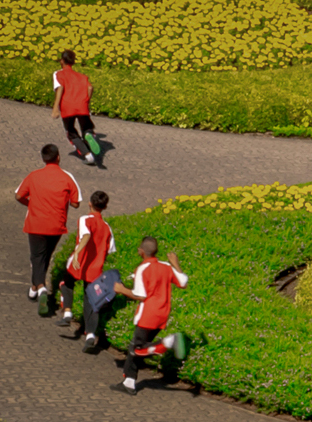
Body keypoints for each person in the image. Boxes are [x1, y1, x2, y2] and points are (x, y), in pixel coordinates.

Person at [113, 237, 191, 394]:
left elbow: (140, 295)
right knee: (139, 346)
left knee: (137, 349)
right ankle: (129, 381)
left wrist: (122, 290)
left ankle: (167, 342)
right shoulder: (166, 266)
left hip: (147, 314)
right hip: (163, 314)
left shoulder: (142, 269)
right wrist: (175, 263)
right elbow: (183, 283)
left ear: (141, 251)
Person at [14, 145, 81, 309]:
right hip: (56, 225)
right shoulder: (67, 177)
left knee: (37, 257)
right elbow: (75, 203)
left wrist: (30, 204)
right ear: (58, 157)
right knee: (45, 257)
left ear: (43, 159)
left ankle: (41, 287)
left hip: (35, 224)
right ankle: (34, 289)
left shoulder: (34, 175)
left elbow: (18, 195)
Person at [59, 189, 113, 334]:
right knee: (90, 300)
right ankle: (90, 335)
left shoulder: (85, 219)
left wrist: (77, 252)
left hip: (80, 263)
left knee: (66, 282)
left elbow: (86, 235)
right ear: (105, 207)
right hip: (96, 268)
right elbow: (109, 250)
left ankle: (67, 312)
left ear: (89, 203)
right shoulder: (107, 228)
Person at [53, 49, 101, 166]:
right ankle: (88, 134)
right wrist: (86, 101)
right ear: (73, 62)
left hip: (67, 106)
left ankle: (87, 155)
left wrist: (55, 108)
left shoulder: (58, 74)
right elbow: (90, 88)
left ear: (62, 61)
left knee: (71, 131)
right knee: (86, 127)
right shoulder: (82, 77)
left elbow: (60, 89)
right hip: (82, 105)